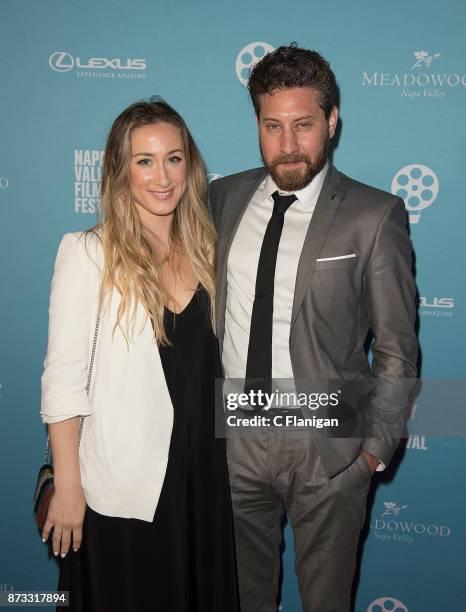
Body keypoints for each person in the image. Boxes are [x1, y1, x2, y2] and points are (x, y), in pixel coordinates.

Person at [209, 44, 418, 612]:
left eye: (303, 125)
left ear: (331, 121)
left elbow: (398, 349)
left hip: (327, 439)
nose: (288, 144)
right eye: (272, 126)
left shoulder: (374, 214)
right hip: (233, 439)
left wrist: (371, 452)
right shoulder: (223, 198)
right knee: (240, 598)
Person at [40, 99, 239, 612]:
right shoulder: (88, 252)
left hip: (208, 477)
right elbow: (63, 382)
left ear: (190, 165)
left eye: (174, 158)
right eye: (144, 160)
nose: (162, 176)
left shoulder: (210, 249)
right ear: (118, 169)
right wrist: (67, 488)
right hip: (129, 485)